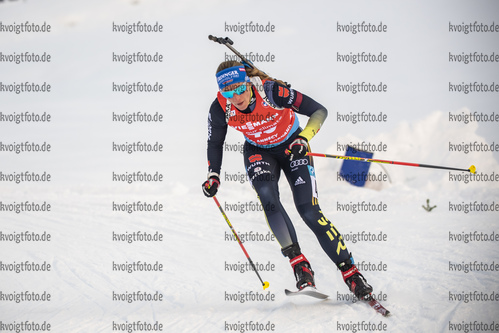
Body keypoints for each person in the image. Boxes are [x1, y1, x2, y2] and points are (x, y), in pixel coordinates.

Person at [202, 60, 373, 299]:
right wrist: (214, 174)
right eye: (228, 92)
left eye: (240, 88)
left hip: (293, 147)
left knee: (309, 211)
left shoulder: (272, 91)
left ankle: (352, 274)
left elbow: (319, 111)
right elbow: (215, 142)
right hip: (258, 152)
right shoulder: (220, 108)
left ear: (248, 82)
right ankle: (300, 267)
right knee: (268, 199)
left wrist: (304, 138)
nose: (236, 97)